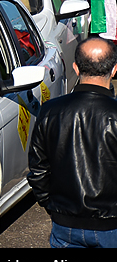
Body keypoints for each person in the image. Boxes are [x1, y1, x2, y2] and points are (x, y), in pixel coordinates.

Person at [28, 38, 117, 248]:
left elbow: (38, 169)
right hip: (111, 225)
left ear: (76, 68)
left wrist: (53, 205)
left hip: (64, 223)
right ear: (114, 70)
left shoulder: (50, 111)